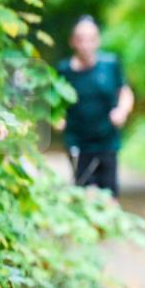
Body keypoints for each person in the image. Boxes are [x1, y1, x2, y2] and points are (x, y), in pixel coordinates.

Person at [56, 16, 134, 199]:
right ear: (72, 41)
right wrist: (57, 118)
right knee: (87, 196)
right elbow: (54, 102)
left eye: (90, 39)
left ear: (97, 40)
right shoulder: (64, 70)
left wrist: (122, 111)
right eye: (80, 39)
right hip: (78, 142)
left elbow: (125, 92)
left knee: (110, 197)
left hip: (107, 140)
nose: (86, 45)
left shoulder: (110, 64)